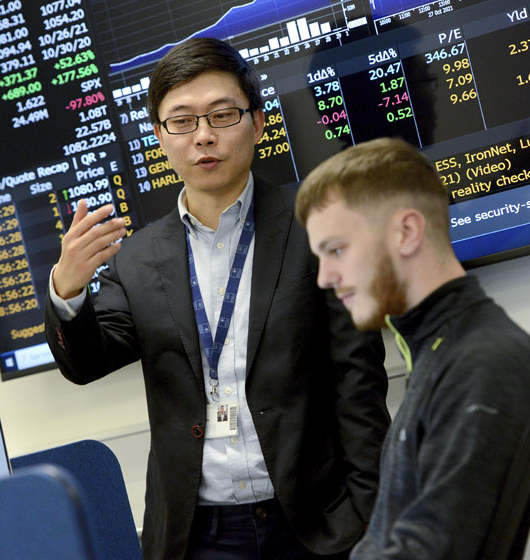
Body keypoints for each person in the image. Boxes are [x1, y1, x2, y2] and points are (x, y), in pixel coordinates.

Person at [44, 38, 390, 560]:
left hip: (317, 522)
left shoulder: (317, 225)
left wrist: (367, 512)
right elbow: (86, 364)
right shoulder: (136, 259)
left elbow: (359, 381)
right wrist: (67, 290)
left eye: (223, 115)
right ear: (159, 140)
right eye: (181, 121)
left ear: (258, 123)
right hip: (196, 535)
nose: (203, 136)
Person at [295, 137, 530, 559]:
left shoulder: (485, 363)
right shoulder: (444, 348)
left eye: (337, 250)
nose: (325, 277)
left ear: (407, 232)